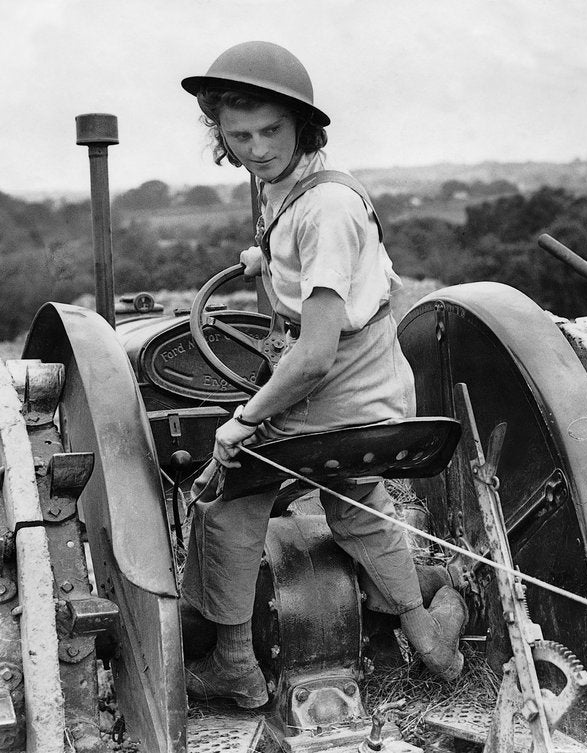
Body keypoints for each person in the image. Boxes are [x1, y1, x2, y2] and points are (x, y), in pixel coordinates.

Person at [179, 41, 467, 709]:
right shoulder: (305, 189)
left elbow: (310, 356)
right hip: (377, 396)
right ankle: (425, 630)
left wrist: (241, 424)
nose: (256, 147)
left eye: (271, 131)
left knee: (226, 494)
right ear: (219, 132)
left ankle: (233, 665)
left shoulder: (325, 210)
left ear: (301, 125)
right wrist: (263, 258)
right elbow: (312, 251)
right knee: (355, 498)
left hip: (336, 395)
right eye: (238, 133)